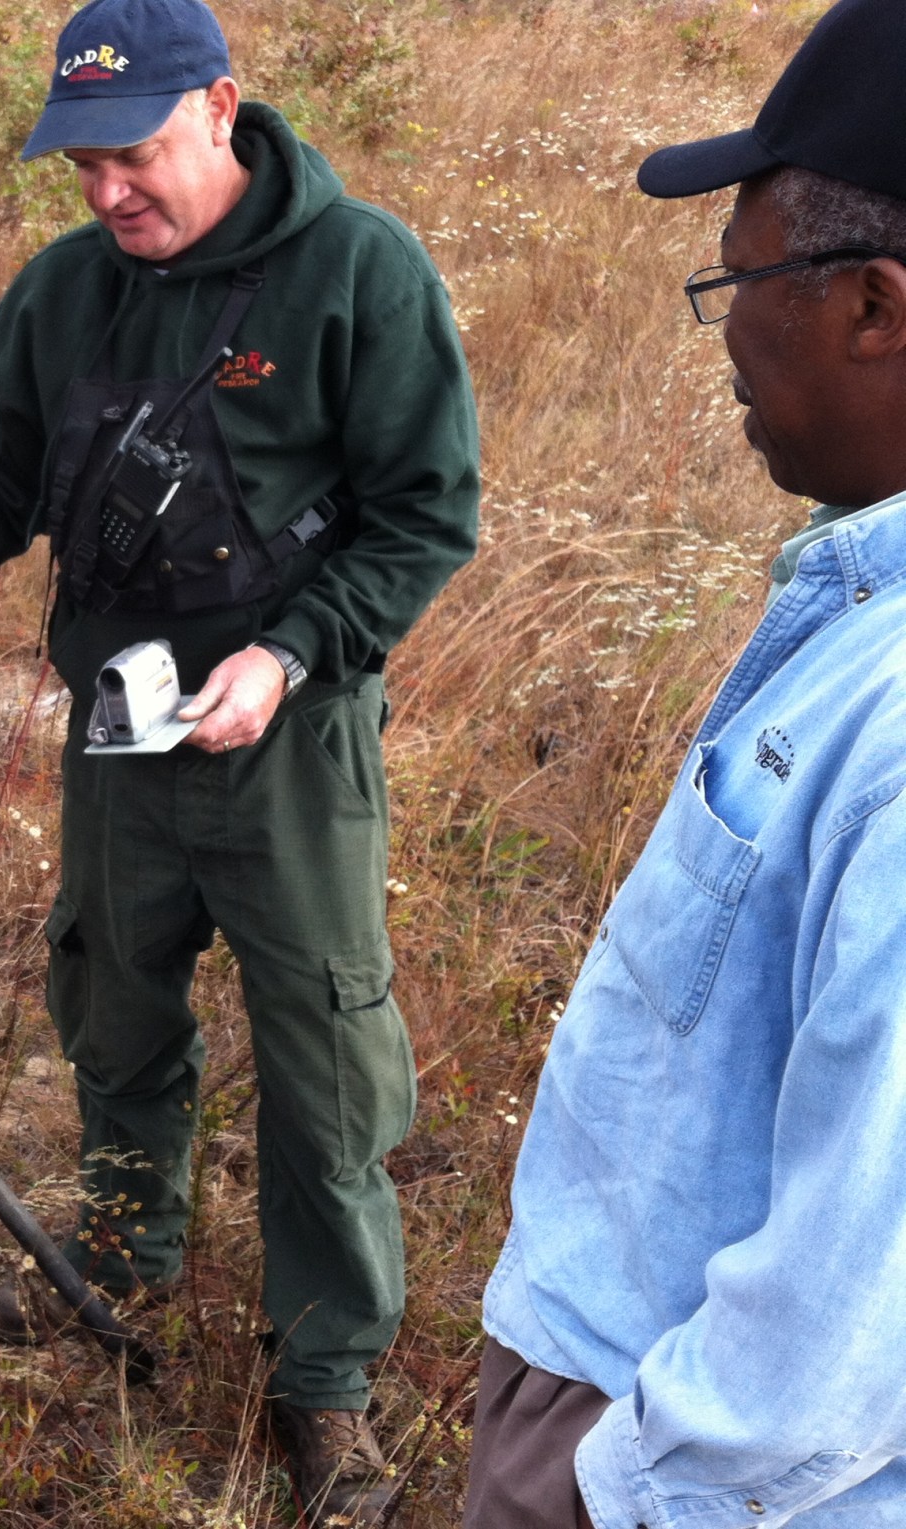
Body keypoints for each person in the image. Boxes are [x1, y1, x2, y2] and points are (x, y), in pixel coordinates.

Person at [0, 0, 478, 1518]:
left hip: (289, 749)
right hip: (116, 746)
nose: (107, 192)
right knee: (111, 1009)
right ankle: (121, 1275)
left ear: (222, 107)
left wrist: (287, 656)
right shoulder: (61, 294)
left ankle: (329, 1384)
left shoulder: (362, 273)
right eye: (82, 163)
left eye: (136, 153)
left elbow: (426, 518)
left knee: (325, 1059)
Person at [465, 2, 906, 1526]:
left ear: (874, 304)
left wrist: (605, 1490)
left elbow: (851, 1316)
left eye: (742, 277)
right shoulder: (860, 619)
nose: (726, 326)